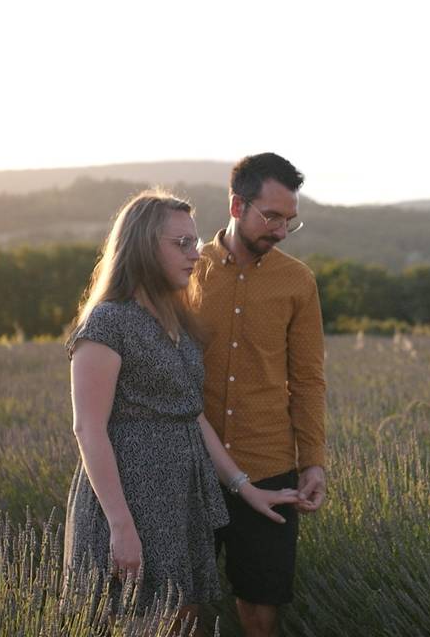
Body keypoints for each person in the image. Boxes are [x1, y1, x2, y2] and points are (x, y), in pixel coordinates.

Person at [64, 189, 301, 630]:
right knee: (135, 622)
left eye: (194, 242)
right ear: (141, 247)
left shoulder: (176, 320)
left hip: (180, 502)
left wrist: (246, 489)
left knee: (180, 621)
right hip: (131, 500)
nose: (196, 254)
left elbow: (191, 415)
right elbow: (88, 429)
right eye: (181, 244)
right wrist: (121, 526)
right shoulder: (107, 323)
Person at [194, 153, 327, 637]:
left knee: (261, 610)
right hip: (189, 467)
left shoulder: (298, 281)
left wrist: (312, 460)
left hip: (270, 467)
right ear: (236, 205)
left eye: (289, 220)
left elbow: (308, 379)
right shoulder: (188, 268)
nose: (280, 230)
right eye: (271, 216)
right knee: (181, 607)